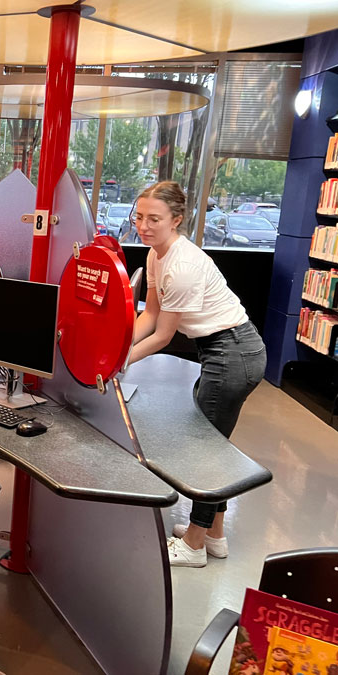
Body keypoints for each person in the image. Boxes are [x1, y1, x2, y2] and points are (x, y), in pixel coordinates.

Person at [128, 181, 266, 568]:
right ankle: (215, 536)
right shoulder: (157, 256)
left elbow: (163, 336)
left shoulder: (182, 266)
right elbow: (149, 316)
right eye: (139, 217)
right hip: (220, 351)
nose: (144, 225)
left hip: (233, 352)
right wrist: (120, 349)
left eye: (154, 219)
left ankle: (193, 544)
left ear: (177, 219)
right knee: (214, 446)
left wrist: (119, 364)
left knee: (204, 453)